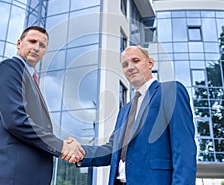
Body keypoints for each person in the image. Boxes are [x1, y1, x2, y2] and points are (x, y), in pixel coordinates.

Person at [0, 26, 85, 185]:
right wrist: (61, 146)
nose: (36, 48)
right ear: (19, 43)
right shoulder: (10, 68)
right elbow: (16, 120)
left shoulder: (30, 79)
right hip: (7, 176)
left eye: (42, 45)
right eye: (32, 41)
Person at [70, 46, 197, 184]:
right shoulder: (124, 111)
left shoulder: (170, 91)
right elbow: (112, 150)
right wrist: (80, 152)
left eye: (135, 61)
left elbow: (184, 149)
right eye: (125, 64)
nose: (130, 67)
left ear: (150, 63)